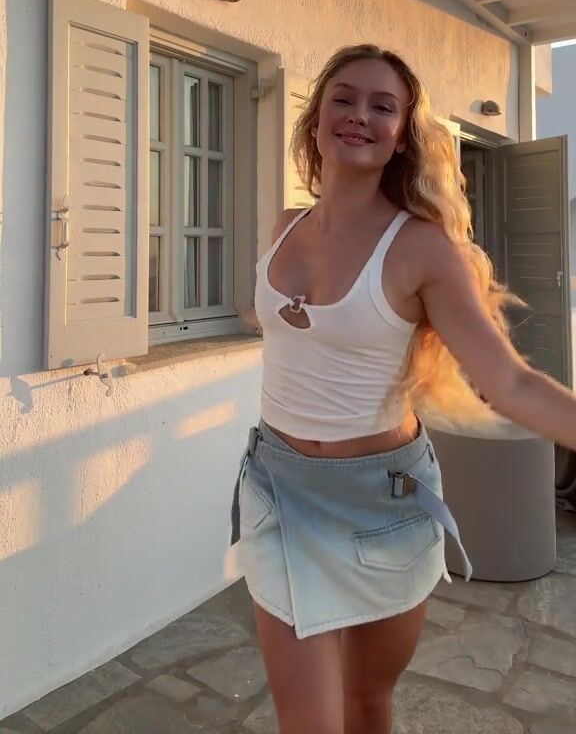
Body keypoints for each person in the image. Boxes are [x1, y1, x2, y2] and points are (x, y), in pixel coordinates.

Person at [231, 44, 576, 734]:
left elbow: (509, 380)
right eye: (343, 98)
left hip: (382, 502)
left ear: (400, 137)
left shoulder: (422, 249)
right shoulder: (285, 226)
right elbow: (278, 322)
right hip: (278, 488)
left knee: (366, 705)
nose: (359, 115)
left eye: (382, 106)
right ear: (315, 122)